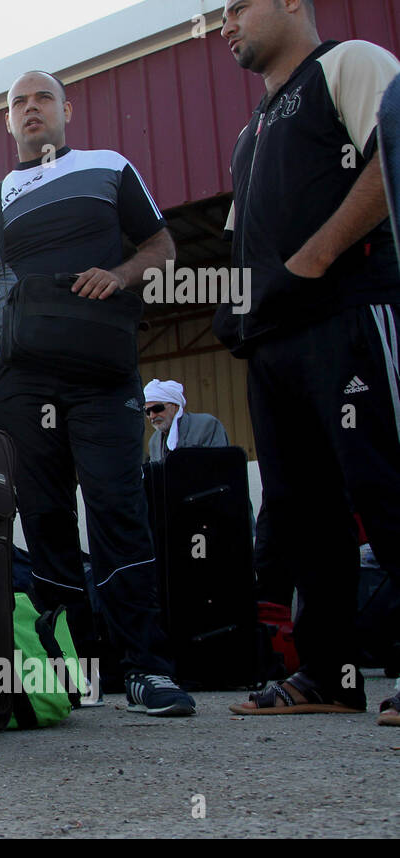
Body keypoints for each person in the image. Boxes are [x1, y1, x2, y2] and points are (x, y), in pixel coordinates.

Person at [0, 69, 195, 716]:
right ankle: (71, 672)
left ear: (66, 110)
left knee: (118, 509)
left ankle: (147, 669)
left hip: (104, 376)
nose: (31, 109)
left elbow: (162, 244)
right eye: (18, 103)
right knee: (46, 520)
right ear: (7, 122)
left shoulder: (111, 167)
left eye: (42, 98)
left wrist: (121, 273)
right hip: (22, 381)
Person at [214, 0, 400, 719]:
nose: (224, 24)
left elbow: (394, 158)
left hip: (349, 316)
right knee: (301, 512)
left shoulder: (349, 64)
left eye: (238, 6)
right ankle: (329, 674)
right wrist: (237, 312)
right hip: (275, 345)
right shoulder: (249, 133)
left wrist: (317, 256)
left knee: (383, 479)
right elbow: (243, 241)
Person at [142, 378, 230, 463]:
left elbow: (220, 466)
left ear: (175, 406)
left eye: (157, 408)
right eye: (147, 411)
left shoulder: (206, 425)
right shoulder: (154, 441)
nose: (152, 416)